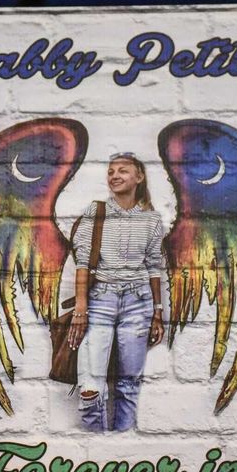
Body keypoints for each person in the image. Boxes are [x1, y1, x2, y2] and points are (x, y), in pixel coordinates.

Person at [68, 151, 166, 432]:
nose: (115, 176)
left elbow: (153, 268)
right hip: (100, 301)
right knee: (91, 388)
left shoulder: (152, 220)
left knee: (128, 385)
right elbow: (83, 262)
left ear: (139, 177)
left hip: (139, 303)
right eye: (111, 171)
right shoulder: (96, 212)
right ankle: (95, 452)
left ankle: (122, 449)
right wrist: (81, 309)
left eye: (122, 170)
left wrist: (158, 313)